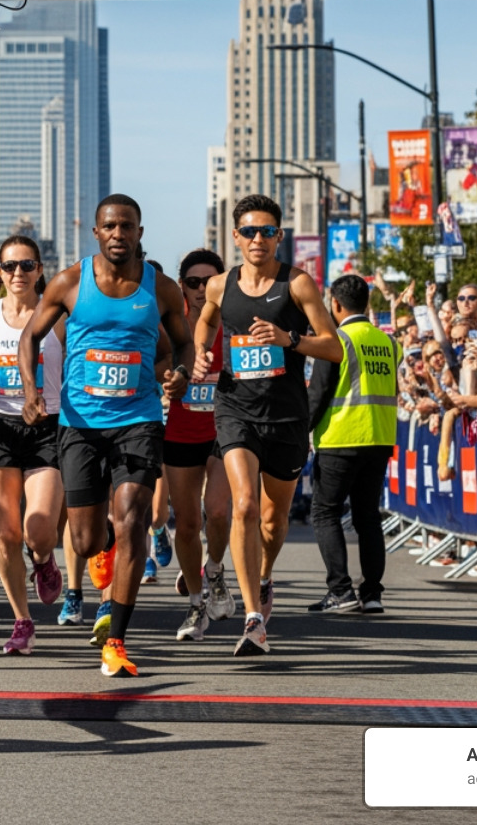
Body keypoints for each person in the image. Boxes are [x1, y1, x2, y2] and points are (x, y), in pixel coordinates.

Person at [21, 196, 193, 677]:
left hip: (138, 419)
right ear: (96, 232)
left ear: (140, 232)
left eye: (127, 226)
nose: (119, 234)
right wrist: (32, 392)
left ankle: (116, 639)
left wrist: (180, 373)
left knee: (133, 517)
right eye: (110, 226)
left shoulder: (161, 288)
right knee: (83, 540)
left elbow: (183, 341)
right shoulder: (70, 282)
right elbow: (30, 337)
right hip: (80, 423)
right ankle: (103, 550)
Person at [194, 193, 341, 656]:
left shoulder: (297, 284)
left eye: (267, 231)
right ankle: (253, 617)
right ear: (235, 237)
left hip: (286, 415)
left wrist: (288, 339)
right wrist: (200, 352)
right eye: (249, 231)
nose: (258, 239)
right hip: (235, 408)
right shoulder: (219, 285)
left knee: (274, 521)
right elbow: (205, 322)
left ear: (280, 236)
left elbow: (333, 347)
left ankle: (263, 576)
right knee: (243, 505)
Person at [0, 236, 66, 654]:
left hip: (48, 427)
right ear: (0, 272)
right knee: (6, 534)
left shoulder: (59, 317)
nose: (18, 274)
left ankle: (43, 559)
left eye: (27, 265)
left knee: (38, 528)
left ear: (40, 270)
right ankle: (22, 621)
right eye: (9, 266)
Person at [305, 274, 398, 615]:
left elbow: (318, 393)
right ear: (367, 303)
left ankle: (340, 591)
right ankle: (372, 594)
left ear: (335, 304)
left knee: (325, 512)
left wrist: (301, 432)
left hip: (340, 437)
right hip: (379, 437)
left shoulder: (335, 340)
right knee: (368, 517)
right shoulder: (389, 342)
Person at [162, 249, 237, 642]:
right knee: (188, 523)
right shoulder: (171, 327)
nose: (201, 289)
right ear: (182, 286)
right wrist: (166, 381)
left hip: (223, 432)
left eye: (209, 282)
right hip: (179, 432)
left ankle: (216, 569)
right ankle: (195, 604)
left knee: (218, 511)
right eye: (193, 282)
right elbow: (152, 366)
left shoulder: (235, 324)